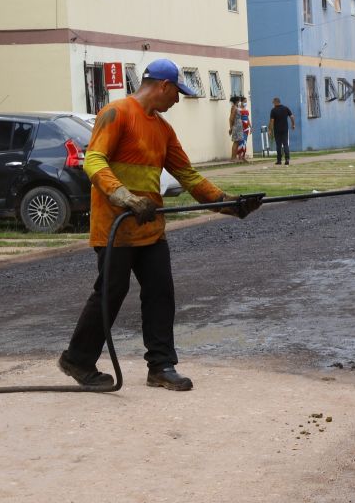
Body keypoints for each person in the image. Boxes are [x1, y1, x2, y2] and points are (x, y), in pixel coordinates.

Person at [58, 58, 261, 391]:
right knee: (111, 291)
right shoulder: (117, 113)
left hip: (150, 229)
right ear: (164, 86)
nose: (178, 100)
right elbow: (93, 160)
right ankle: (77, 360)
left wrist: (231, 204)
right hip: (116, 227)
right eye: (176, 93)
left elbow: (188, 176)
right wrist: (124, 197)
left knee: (160, 292)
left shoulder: (163, 129)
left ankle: (161, 366)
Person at [268, 97, 295, 165]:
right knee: (285, 144)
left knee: (278, 145)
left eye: (273, 102)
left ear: (276, 102)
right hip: (285, 129)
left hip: (277, 130)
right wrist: (293, 124)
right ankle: (287, 159)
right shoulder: (286, 108)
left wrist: (270, 130)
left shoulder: (273, 110)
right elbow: (292, 116)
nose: (273, 104)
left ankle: (279, 160)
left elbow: (272, 121)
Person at [229, 96, 244, 162]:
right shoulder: (235, 108)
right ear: (237, 101)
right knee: (236, 142)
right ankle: (233, 157)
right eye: (239, 100)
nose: (240, 102)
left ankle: (234, 157)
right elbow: (231, 118)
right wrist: (231, 127)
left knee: (237, 142)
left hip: (238, 126)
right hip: (236, 127)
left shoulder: (235, 108)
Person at [239, 96, 252, 161]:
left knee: (245, 142)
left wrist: (251, 127)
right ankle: (239, 156)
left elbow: (248, 119)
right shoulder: (238, 110)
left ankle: (243, 156)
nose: (245, 103)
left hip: (246, 128)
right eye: (244, 102)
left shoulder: (246, 110)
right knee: (241, 141)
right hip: (241, 127)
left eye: (246, 102)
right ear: (241, 102)